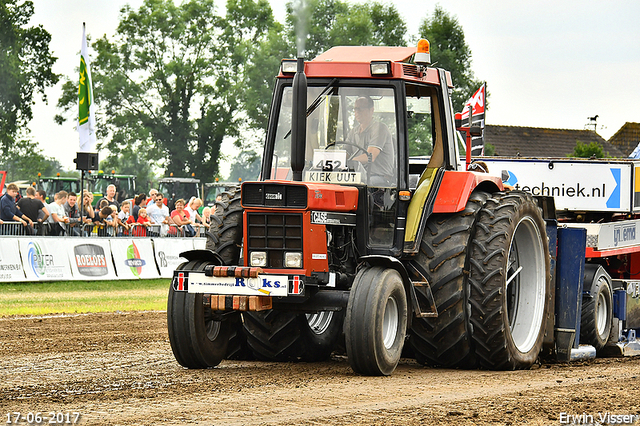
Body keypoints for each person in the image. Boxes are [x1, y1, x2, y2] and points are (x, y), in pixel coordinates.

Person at [346, 96, 395, 186]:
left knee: (361, 184)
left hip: (379, 179)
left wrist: (348, 162)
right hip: (359, 176)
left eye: (361, 109)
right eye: (355, 109)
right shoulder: (353, 132)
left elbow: (370, 157)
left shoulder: (380, 128)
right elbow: (346, 153)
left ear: (371, 110)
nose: (357, 112)